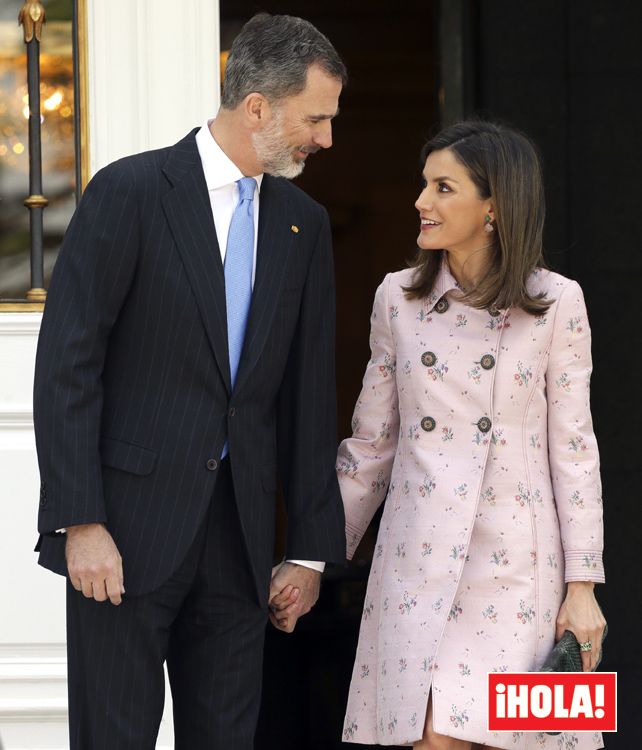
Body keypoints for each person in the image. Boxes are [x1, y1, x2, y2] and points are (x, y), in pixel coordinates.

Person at [33, 13, 346, 749]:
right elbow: (68, 366)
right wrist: (81, 521)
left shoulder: (305, 224)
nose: (327, 139)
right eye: (317, 117)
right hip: (123, 540)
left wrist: (305, 550)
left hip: (238, 552)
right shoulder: (130, 192)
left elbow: (307, 396)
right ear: (259, 107)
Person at [335, 121, 606, 749]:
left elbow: (574, 450)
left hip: (519, 571)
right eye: (423, 185)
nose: (420, 202)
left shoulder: (557, 302)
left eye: (442, 187)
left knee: (511, 740)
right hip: (417, 567)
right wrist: (315, 558)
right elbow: (371, 446)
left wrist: (583, 587)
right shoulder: (396, 299)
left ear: (493, 207)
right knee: (432, 738)